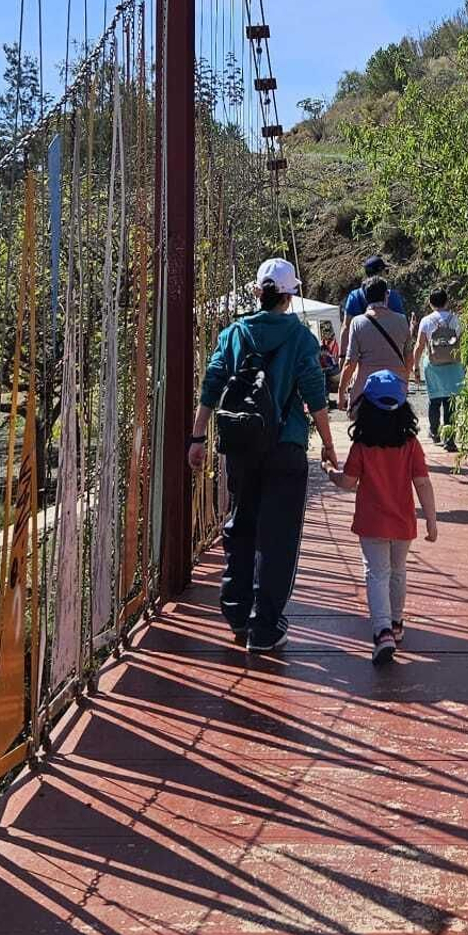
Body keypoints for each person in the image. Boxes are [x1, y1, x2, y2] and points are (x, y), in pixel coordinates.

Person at [189, 258, 338, 654]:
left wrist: (197, 436)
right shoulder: (302, 339)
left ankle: (237, 612)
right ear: (289, 296)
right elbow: (314, 394)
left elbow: (212, 382)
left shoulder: (234, 333)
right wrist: (327, 442)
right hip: (286, 446)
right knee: (279, 537)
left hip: (241, 446)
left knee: (242, 524)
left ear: (258, 292)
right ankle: (266, 626)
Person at [326, 370, 437, 664]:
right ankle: (397, 623)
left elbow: (348, 482)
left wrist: (330, 473)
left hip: (372, 522)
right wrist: (431, 520)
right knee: (398, 571)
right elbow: (423, 483)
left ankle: (382, 631)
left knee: (377, 573)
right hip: (403, 521)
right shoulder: (410, 444)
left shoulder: (362, 446)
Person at [339, 276, 411, 413]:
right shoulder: (402, 320)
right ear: (386, 295)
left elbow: (350, 363)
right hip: (395, 388)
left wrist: (341, 392)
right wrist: (404, 380)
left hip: (366, 390)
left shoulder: (357, 322)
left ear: (366, 297)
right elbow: (409, 357)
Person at [416, 288, 465, 449]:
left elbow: (419, 345)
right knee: (450, 402)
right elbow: (461, 343)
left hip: (433, 365)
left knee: (435, 400)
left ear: (430, 303)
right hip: (453, 365)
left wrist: (415, 366)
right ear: (447, 301)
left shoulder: (426, 321)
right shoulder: (456, 320)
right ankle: (449, 439)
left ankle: (435, 432)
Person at [340, 253, 407, 352]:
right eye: (386, 271)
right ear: (380, 273)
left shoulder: (354, 296)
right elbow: (402, 328)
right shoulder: (392, 296)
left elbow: (346, 328)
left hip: (363, 354)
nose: (387, 274)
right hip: (389, 352)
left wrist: (342, 355)